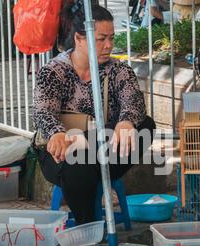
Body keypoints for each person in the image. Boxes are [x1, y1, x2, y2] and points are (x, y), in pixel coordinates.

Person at [32, 1, 156, 225]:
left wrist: (126, 122)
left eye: (111, 38)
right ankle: (87, 227)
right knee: (78, 161)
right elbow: (43, 112)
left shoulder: (118, 70)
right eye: (101, 39)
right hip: (62, 152)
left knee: (145, 125)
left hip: (104, 148)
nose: (108, 45)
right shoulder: (53, 72)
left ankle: (86, 158)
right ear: (79, 38)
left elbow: (133, 100)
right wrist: (57, 133)